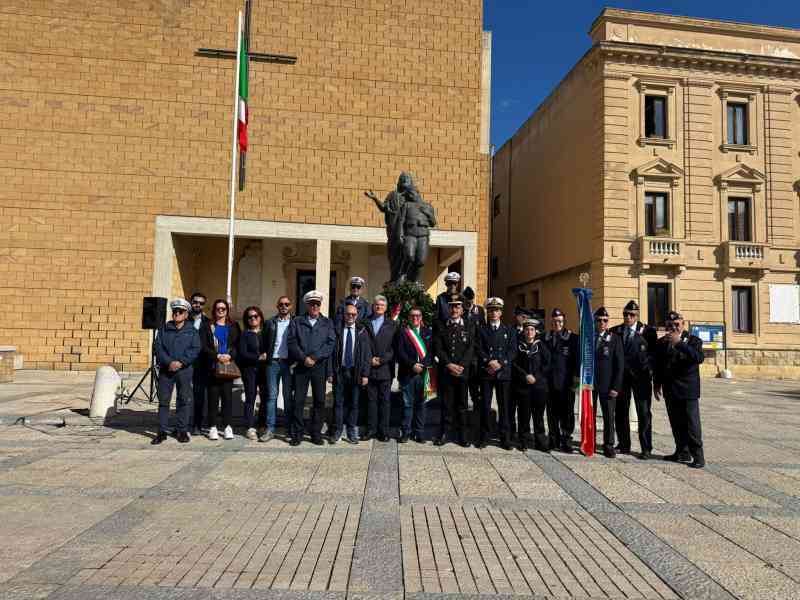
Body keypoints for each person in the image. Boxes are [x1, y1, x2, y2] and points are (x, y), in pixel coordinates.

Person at [653, 311, 705, 468]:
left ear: (683, 324)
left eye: (677, 324)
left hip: (688, 390)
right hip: (671, 389)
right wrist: (657, 383)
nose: (673, 327)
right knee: (676, 423)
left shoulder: (693, 340)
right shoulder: (662, 342)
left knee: (692, 424)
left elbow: (698, 358)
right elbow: (659, 365)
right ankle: (681, 452)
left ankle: (698, 456)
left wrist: (679, 343)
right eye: (670, 325)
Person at [287, 290, 337, 446]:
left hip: (319, 366)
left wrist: (315, 357)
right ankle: (297, 433)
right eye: (312, 304)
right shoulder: (297, 321)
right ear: (307, 305)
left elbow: (330, 343)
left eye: (317, 304)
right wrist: (303, 358)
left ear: (320, 305)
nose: (315, 306)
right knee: (299, 400)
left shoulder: (327, 322)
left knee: (319, 400)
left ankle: (316, 433)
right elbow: (292, 342)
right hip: (301, 366)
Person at [610, 300, 657, 459]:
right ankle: (623, 444)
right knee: (621, 412)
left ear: (637, 315)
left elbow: (653, 355)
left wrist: (650, 371)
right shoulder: (615, 331)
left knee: (643, 412)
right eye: (625, 314)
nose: (628, 317)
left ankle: (646, 447)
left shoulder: (648, 331)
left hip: (641, 378)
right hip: (622, 378)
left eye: (631, 315)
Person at [152, 298, 201, 444]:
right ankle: (161, 431)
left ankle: (181, 430)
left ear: (186, 314)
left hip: (184, 370)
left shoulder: (192, 330)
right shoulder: (164, 329)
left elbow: (195, 349)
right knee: (163, 401)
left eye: (180, 312)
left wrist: (181, 362)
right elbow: (158, 348)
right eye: (175, 311)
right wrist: (169, 362)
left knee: (183, 400)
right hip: (167, 370)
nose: (177, 314)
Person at [434, 296, 476, 447]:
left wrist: (462, 366)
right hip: (447, 371)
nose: (454, 310)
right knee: (446, 404)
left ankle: (462, 435)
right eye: (452, 307)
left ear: (462, 309)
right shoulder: (442, 326)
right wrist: (449, 364)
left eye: (457, 307)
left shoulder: (469, 326)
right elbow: (439, 348)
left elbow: (471, 348)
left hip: (463, 373)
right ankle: (444, 433)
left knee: (462, 405)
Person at [475, 297, 516, 449]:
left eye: (496, 310)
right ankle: (484, 437)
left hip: (503, 373)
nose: (493, 313)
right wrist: (488, 361)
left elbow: (512, 351)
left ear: (501, 313)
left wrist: (501, 363)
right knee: (485, 406)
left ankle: (505, 438)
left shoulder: (509, 330)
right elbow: (478, 348)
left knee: (504, 406)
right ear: (487, 312)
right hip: (487, 372)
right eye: (491, 310)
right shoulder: (482, 329)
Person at [329, 300, 371, 444]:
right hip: (340, 371)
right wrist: (330, 372)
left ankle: (352, 431)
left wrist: (365, 374)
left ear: (357, 315)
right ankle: (337, 430)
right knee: (339, 403)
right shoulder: (337, 329)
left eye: (353, 314)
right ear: (344, 315)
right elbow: (331, 353)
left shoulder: (362, 331)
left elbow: (367, 354)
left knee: (354, 403)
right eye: (348, 314)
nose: (351, 316)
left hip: (356, 372)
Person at [512, 318, 551, 452]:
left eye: (532, 330)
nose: (529, 332)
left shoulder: (541, 346)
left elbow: (547, 364)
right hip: (523, 387)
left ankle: (540, 442)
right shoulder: (519, 346)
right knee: (523, 416)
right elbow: (514, 364)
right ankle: (523, 441)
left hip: (539, 387)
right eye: (527, 329)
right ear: (524, 331)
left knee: (538, 417)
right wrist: (525, 376)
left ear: (536, 332)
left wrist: (536, 377)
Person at [396, 307, 434, 443]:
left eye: (418, 316)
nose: (415, 318)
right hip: (408, 373)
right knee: (407, 404)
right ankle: (405, 432)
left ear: (421, 317)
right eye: (412, 316)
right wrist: (412, 365)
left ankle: (419, 433)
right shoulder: (403, 332)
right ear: (408, 318)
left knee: (422, 404)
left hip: (425, 374)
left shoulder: (428, 332)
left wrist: (422, 366)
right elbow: (400, 352)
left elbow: (432, 352)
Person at [544, 308, 579, 453]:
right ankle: (553, 439)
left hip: (566, 383)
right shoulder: (544, 337)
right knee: (551, 413)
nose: (557, 324)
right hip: (549, 382)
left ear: (564, 322)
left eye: (559, 321)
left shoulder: (572, 338)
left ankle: (566, 439)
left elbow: (577, 360)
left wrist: (576, 380)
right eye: (554, 321)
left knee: (567, 413)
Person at [206, 299, 241, 441]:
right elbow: (203, 346)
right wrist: (217, 356)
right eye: (218, 308)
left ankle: (227, 427)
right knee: (213, 398)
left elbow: (238, 345)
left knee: (227, 398)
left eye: (223, 309)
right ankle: (213, 427)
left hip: (228, 366)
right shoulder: (208, 326)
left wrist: (230, 355)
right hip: (213, 367)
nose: (221, 311)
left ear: (227, 310)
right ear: (214, 310)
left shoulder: (234, 326)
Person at [261, 296, 294, 442]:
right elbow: (263, 341)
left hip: (289, 363)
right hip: (272, 363)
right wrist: (263, 353)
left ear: (291, 306)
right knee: (272, 396)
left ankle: (288, 429)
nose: (284, 306)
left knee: (288, 397)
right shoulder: (270, 323)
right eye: (281, 304)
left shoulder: (296, 323)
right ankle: (270, 429)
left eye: (287, 304)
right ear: (277, 306)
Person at [364, 295, 397, 442]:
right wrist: (370, 358)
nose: (379, 307)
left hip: (385, 369)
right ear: (373, 306)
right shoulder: (365, 322)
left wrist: (382, 360)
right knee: (371, 401)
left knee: (385, 401)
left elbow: (395, 348)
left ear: (386, 308)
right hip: (369, 367)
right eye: (377, 305)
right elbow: (362, 344)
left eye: (382, 305)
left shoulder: (392, 324)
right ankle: (371, 429)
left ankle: (383, 431)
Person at [592, 307, 624, 458]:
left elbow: (620, 365)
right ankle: (590, 441)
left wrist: (616, 387)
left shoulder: (615, 339)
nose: (602, 323)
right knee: (589, 415)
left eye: (605, 320)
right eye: (599, 320)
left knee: (608, 416)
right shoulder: (588, 338)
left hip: (608, 385)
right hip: (590, 384)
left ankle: (608, 444)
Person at [238, 306, 268, 441]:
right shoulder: (244, 334)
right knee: (250, 398)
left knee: (265, 398)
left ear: (260, 317)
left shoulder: (265, 333)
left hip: (264, 370)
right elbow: (242, 353)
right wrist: (257, 358)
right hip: (249, 370)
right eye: (250, 317)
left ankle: (262, 425)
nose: (253, 318)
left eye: (255, 316)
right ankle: (249, 427)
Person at [188, 292, 214, 436]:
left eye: (201, 303)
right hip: (185, 363)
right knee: (183, 395)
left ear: (204, 305)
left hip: (202, 364)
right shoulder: (184, 319)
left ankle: (197, 424)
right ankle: (182, 423)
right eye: (195, 302)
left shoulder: (208, 322)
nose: (198, 305)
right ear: (191, 302)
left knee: (199, 396)